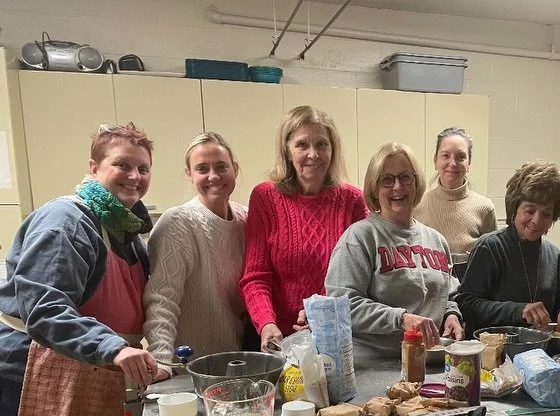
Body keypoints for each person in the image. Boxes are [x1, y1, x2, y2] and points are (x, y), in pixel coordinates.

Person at [0, 123, 158, 416]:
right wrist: (111, 347)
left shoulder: (128, 233)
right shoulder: (67, 221)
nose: (133, 176)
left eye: (142, 168)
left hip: (82, 377)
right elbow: (44, 308)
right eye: (121, 165)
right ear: (93, 168)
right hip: (24, 381)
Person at [240, 105, 368, 352]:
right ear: (287, 151)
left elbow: (359, 278)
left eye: (322, 144)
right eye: (302, 145)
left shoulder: (352, 201)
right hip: (278, 338)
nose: (313, 154)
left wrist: (320, 313)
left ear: (332, 150)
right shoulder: (265, 197)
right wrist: (266, 324)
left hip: (334, 336)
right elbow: (255, 276)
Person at [325, 142, 464, 357]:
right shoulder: (360, 237)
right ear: (374, 188)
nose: (397, 187)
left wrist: (451, 315)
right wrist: (401, 319)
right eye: (387, 180)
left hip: (429, 362)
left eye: (405, 177)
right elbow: (341, 305)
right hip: (374, 365)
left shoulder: (436, 240)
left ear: (416, 183)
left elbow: (449, 295)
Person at [144, 132, 247, 379]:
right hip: (191, 369)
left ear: (235, 169)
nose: (213, 176)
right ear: (189, 174)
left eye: (221, 166)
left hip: (240, 363)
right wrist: (161, 362)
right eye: (202, 168)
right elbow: (162, 300)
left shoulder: (246, 218)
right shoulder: (177, 223)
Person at [454, 160, 560, 336]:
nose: (537, 220)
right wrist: (518, 311)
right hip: (494, 353)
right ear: (514, 208)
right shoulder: (490, 247)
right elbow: (467, 304)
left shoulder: (554, 255)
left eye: (546, 214)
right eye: (529, 210)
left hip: (540, 354)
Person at [413, 127, 497, 254]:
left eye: (460, 157)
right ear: (435, 161)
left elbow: (493, 258)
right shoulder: (417, 205)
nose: (452, 163)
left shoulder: (485, 208)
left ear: (469, 163)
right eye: (445, 156)